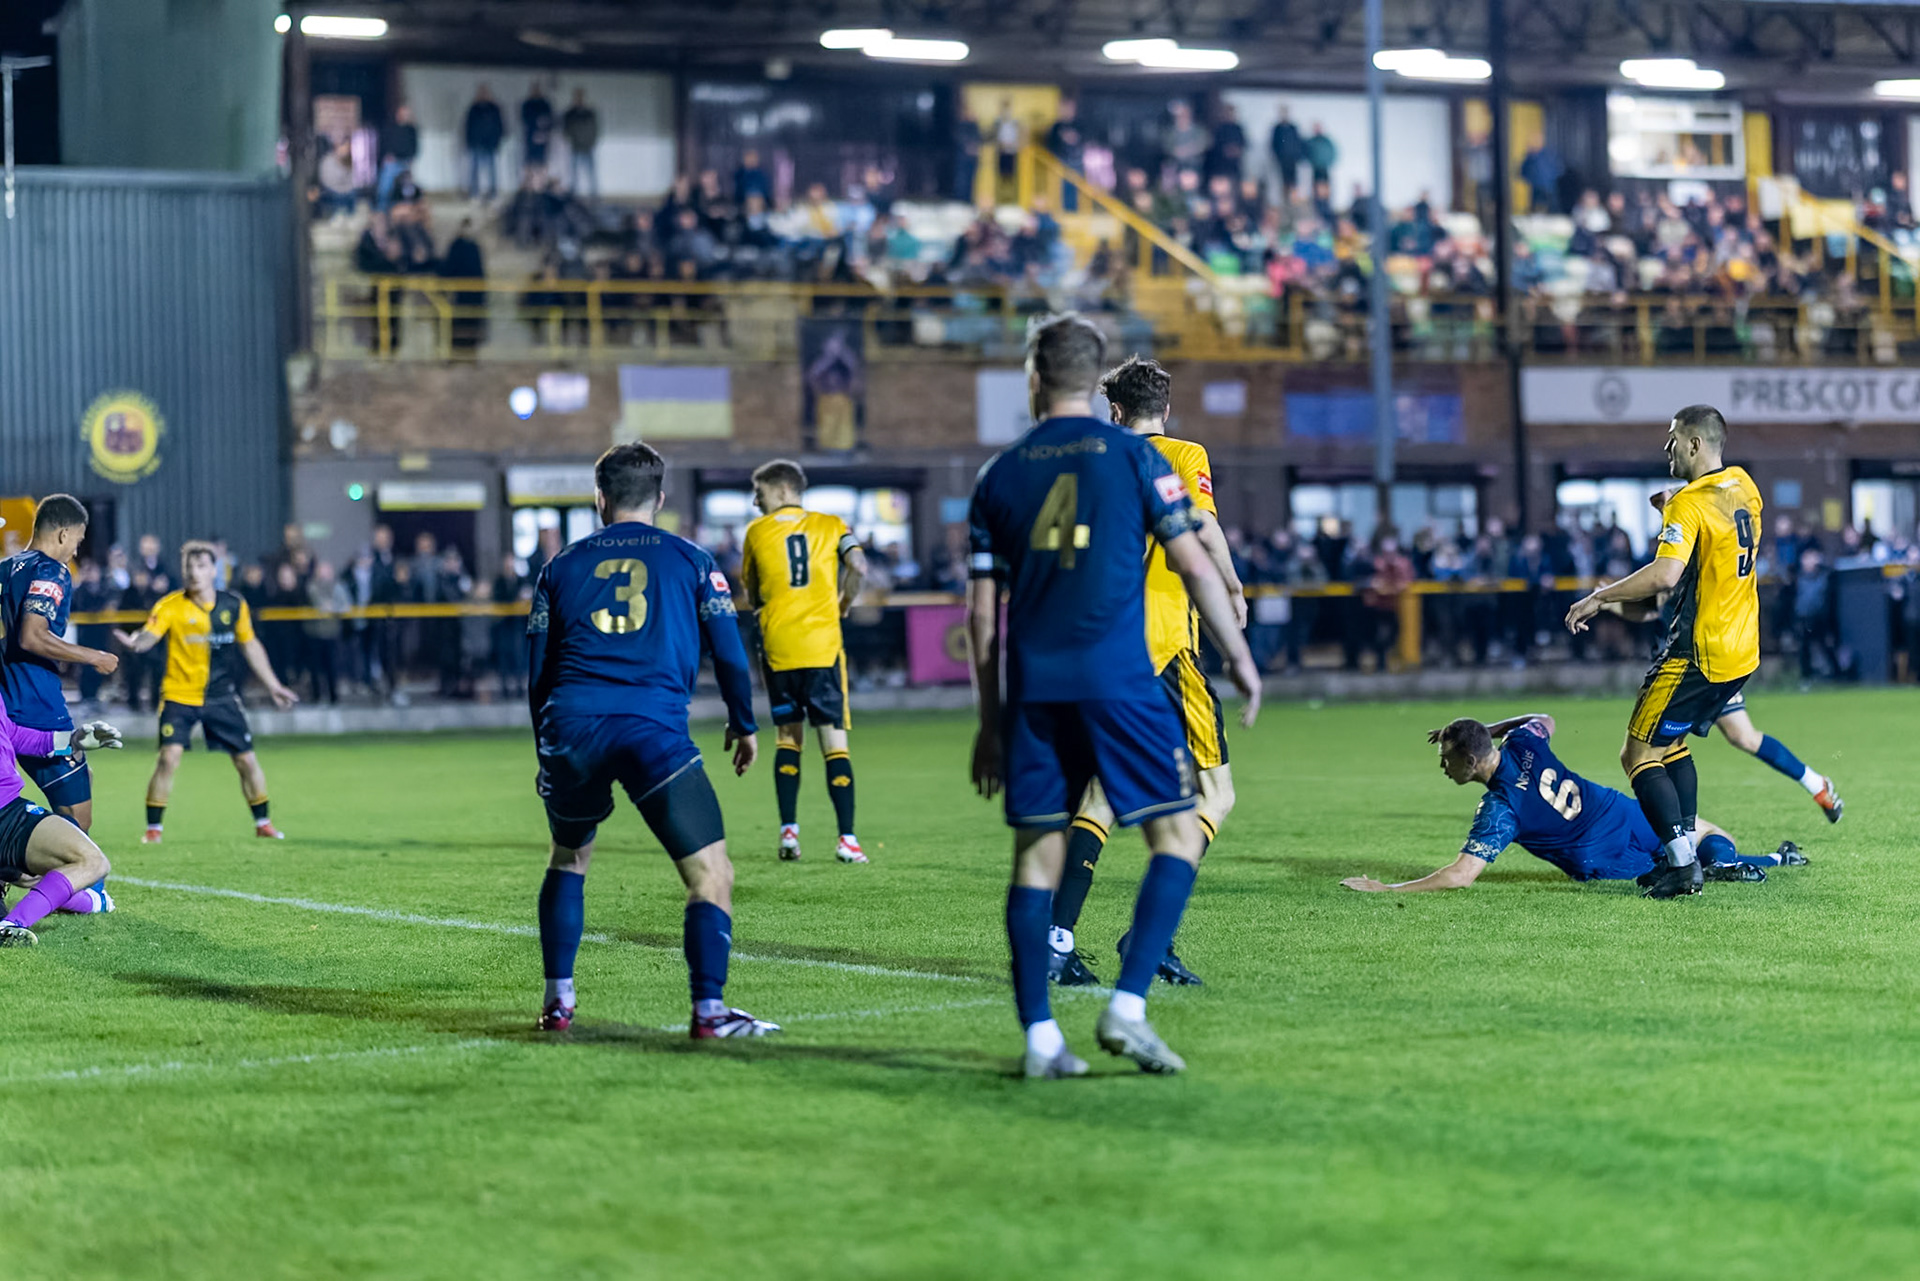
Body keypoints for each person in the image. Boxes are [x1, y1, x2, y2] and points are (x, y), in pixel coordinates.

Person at [965, 313, 1261, 1078]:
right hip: (1127, 667)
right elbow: (1195, 551)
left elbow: (979, 613)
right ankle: (1128, 1004)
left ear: (1034, 380)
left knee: (1037, 853)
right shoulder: (1141, 460)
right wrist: (1236, 646)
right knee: (1178, 829)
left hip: (1033, 684)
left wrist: (988, 720)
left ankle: (1040, 1038)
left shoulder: (998, 474)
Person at [526, 442, 773, 1039]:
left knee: (570, 856)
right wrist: (742, 722)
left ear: (599, 499)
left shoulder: (558, 567)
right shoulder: (691, 559)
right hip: (651, 729)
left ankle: (558, 1002)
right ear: (661, 500)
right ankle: (709, 1011)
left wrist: (546, 748)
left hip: (573, 729)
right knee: (711, 874)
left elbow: (536, 673)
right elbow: (731, 655)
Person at [1047, 358, 1248, 989]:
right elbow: (1205, 527)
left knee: (1102, 794)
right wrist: (1235, 588)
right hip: (1165, 648)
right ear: (1165, 406)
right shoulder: (1185, 454)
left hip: (1100, 651)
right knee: (1217, 795)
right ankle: (1149, 934)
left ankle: (1056, 940)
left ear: (1114, 410)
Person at [1565, 405, 1763, 899]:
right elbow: (1714, 535)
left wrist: (1599, 595)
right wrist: (1674, 508)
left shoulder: (1688, 504)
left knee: (1636, 753)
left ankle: (1680, 865)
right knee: (1671, 745)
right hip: (1742, 652)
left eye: (1673, 438)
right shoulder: (1743, 485)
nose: (1666, 447)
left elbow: (1666, 575)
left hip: (1696, 654)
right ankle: (1686, 852)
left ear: (1694, 445)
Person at [1339, 714, 1803, 894]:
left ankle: (1737, 866)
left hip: (1598, 854)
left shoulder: (1500, 808)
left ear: (1472, 760)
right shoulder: (1522, 741)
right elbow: (1546, 718)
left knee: (1672, 863)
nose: (1443, 767)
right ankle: (1767, 860)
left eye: (1447, 759)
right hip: (1615, 811)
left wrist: (1388, 890)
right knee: (1703, 835)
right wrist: (1493, 730)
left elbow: (1460, 876)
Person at [113, 542, 299, 844]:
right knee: (168, 758)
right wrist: (136, 642)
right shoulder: (170, 605)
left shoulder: (234, 605)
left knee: (246, 761)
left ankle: (263, 822)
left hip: (221, 697)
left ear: (214, 570)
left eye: (200, 566)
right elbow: (150, 635)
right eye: (188, 566)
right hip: (179, 696)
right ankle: (153, 830)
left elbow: (250, 645)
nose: (193, 573)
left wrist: (274, 686)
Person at [739, 460, 870, 865]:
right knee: (834, 742)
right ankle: (847, 840)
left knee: (787, 739)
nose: (756, 502)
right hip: (822, 646)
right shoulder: (832, 525)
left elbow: (754, 591)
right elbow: (859, 566)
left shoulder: (757, 532)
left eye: (759, 494)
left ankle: (789, 835)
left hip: (780, 647)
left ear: (780, 491)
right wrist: (843, 603)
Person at [0, 497, 121, 833]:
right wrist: (94, 656)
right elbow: (32, 637)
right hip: (37, 707)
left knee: (83, 776)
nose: (76, 551)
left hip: (5, 710)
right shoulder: (52, 570)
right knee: (78, 828)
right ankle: (38, 872)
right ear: (64, 534)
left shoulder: (6, 569)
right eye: (78, 542)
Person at [0, 687, 119, 946]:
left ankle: (94, 901)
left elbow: (10, 733)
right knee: (91, 861)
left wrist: (70, 740)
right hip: (5, 813)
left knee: (32, 875)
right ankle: (10, 925)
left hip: (7, 810)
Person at [464, 83, 506, 200]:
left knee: (492, 170)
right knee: (474, 170)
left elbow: (499, 126)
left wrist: (497, 141)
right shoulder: (474, 109)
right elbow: (468, 126)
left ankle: (493, 193)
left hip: (490, 144)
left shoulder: (494, 109)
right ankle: (474, 193)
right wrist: (469, 142)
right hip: (476, 143)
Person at [562, 88, 599, 199]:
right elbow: (566, 130)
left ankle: (594, 195)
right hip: (575, 147)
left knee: (591, 173)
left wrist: (591, 141)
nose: (579, 99)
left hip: (587, 147)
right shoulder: (570, 113)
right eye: (577, 97)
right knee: (573, 174)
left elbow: (594, 129)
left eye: (580, 97)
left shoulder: (589, 113)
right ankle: (573, 195)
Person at [1269, 107, 1305, 198]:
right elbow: (1274, 144)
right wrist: (1277, 157)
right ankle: (1284, 199)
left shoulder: (1293, 128)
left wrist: (1297, 156)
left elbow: (1299, 143)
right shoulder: (1277, 128)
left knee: (1293, 182)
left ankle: (1293, 200)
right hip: (1281, 161)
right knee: (1283, 182)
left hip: (1292, 160)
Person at [521, 82, 555, 174]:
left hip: (543, 139)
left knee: (543, 162)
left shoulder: (545, 104)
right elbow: (525, 119)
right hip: (530, 138)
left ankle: (542, 183)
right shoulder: (527, 104)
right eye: (534, 89)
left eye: (537, 89)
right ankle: (530, 185)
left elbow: (550, 120)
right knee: (529, 162)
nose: (536, 91)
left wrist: (543, 132)